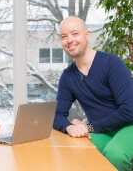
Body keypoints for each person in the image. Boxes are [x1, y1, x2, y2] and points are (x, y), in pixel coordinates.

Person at [53, 16, 133, 171]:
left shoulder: (112, 63)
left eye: (75, 34)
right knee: (73, 148)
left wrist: (88, 127)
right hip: (102, 131)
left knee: (115, 155)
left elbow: (129, 110)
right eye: (64, 36)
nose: (70, 40)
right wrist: (69, 127)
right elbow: (56, 114)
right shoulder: (68, 76)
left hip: (128, 126)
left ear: (87, 35)